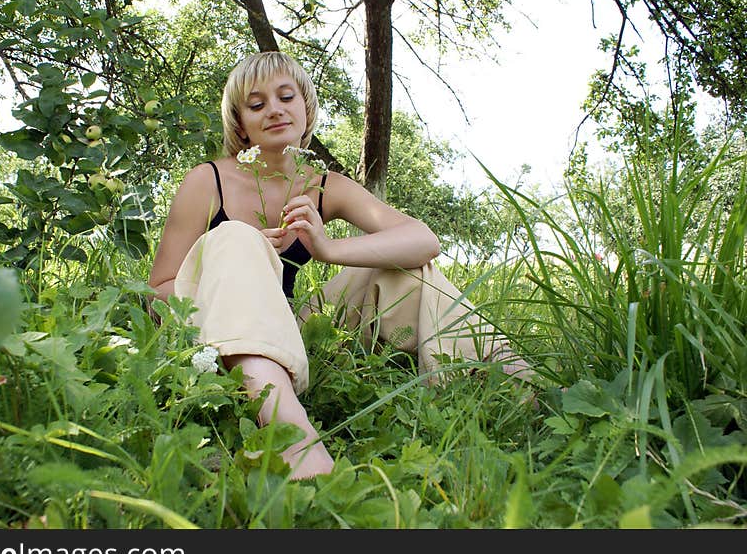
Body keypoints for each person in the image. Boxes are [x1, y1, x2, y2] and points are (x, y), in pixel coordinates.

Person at [148, 51, 531, 480]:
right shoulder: (208, 179)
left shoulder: (324, 184)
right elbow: (159, 288)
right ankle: (288, 431)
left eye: (286, 97)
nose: (274, 109)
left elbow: (424, 241)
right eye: (256, 104)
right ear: (240, 123)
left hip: (292, 328)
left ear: (305, 109)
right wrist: (240, 252)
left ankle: (519, 385)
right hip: (214, 333)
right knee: (236, 237)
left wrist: (328, 248)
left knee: (405, 268)